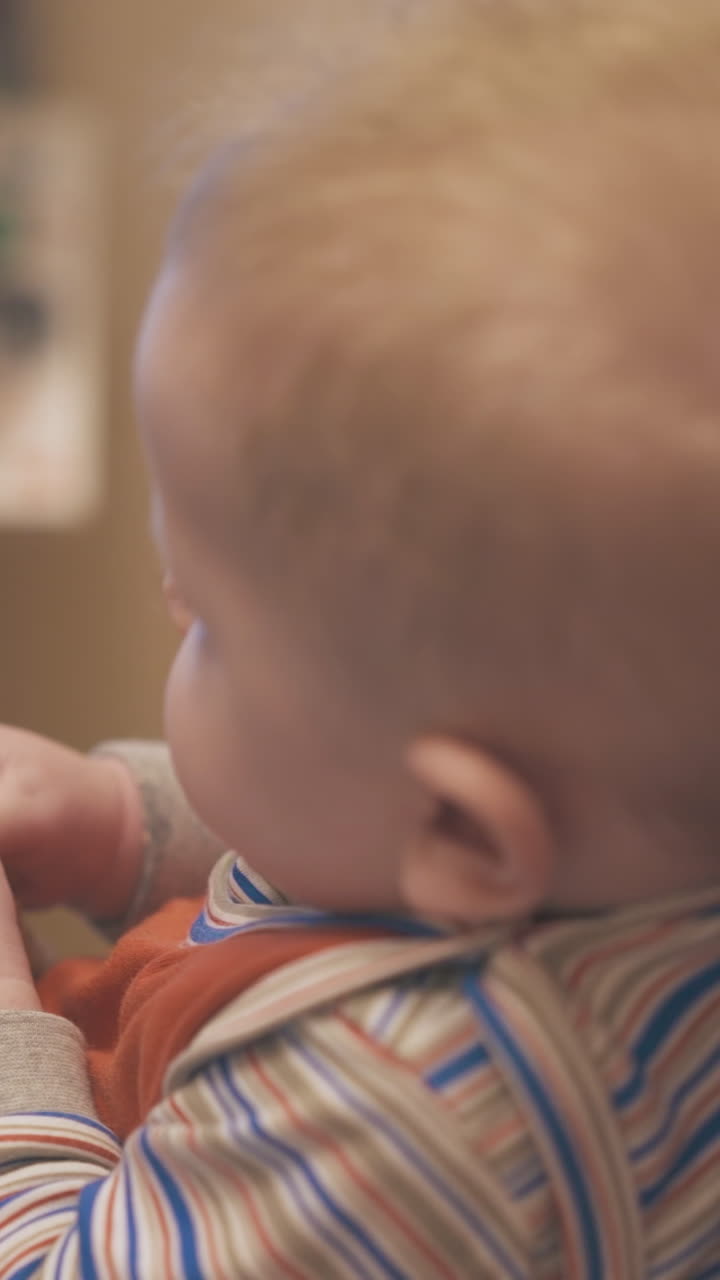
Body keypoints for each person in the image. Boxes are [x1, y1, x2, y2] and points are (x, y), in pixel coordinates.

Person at [0, 2, 719, 1275]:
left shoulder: (408, 1117)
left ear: (464, 830)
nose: (169, 601)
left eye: (209, 620)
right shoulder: (628, 821)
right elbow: (349, 839)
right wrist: (123, 822)